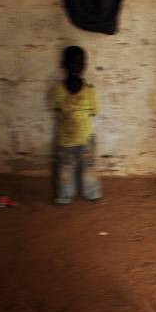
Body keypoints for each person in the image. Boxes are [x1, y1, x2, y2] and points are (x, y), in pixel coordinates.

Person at [53, 45, 102, 204]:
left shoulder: (90, 91)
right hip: (65, 141)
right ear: (63, 64)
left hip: (86, 139)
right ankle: (65, 196)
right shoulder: (58, 90)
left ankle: (92, 192)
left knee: (89, 168)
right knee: (65, 170)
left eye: (80, 64)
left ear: (85, 66)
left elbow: (94, 110)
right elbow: (58, 107)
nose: (76, 67)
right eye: (72, 63)